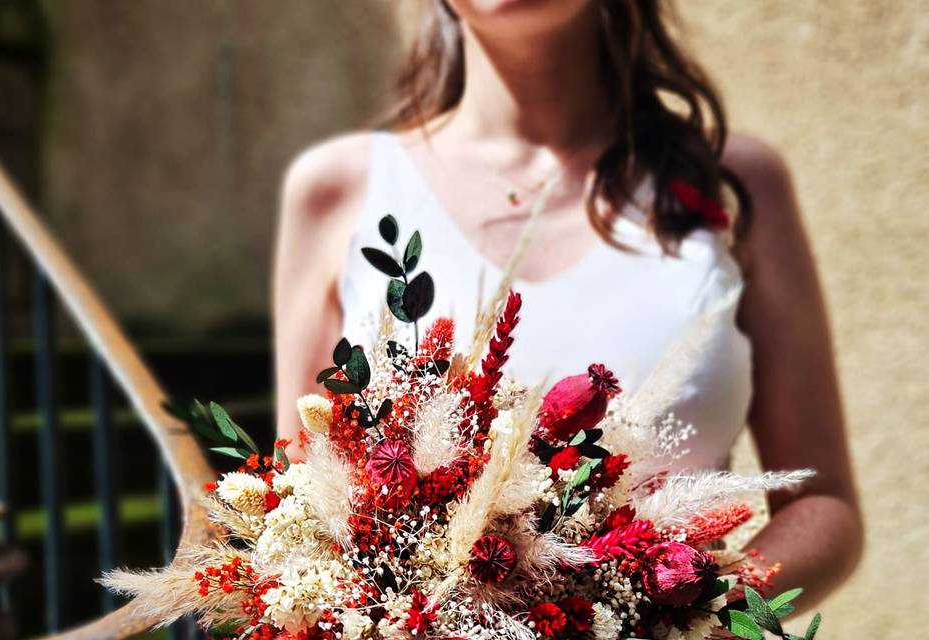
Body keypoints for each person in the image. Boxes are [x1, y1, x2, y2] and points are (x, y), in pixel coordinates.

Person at [272, 0, 861, 609]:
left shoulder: (733, 183)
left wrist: (705, 614)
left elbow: (825, 504)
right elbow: (291, 492)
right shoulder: (337, 191)